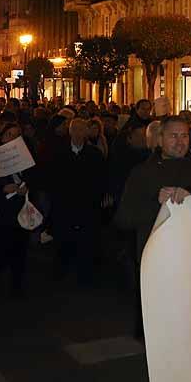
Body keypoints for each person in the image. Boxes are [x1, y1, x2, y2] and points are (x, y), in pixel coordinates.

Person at [116, 116, 191, 341]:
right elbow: (123, 218)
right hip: (155, 257)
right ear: (160, 139)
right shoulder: (141, 173)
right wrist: (155, 201)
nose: (180, 142)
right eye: (173, 136)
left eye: (184, 136)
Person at [47, 118, 108, 285]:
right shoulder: (59, 153)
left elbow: (101, 179)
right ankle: (61, 271)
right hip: (64, 205)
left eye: (82, 130)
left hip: (87, 205)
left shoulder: (94, 155)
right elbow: (52, 179)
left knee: (86, 241)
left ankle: (85, 273)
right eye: (75, 130)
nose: (78, 134)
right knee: (63, 240)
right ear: (70, 132)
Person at [0, 124, 36, 296]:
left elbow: (34, 178)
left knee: (19, 249)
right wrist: (3, 189)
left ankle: (16, 285)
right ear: (2, 137)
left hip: (19, 211)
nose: (12, 138)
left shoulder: (25, 158)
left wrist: (26, 187)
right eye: (9, 134)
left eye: (17, 135)